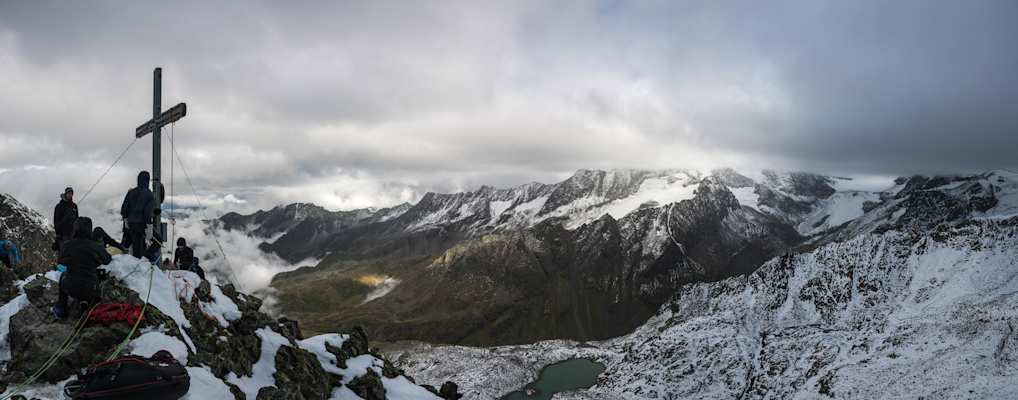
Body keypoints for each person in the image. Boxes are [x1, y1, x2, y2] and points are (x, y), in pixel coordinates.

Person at [53, 217, 111, 319]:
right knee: (99, 275)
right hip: (91, 288)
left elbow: (61, 262)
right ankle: (88, 302)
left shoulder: (67, 245)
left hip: (70, 287)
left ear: (75, 229)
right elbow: (107, 259)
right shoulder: (95, 246)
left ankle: (61, 308)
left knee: (63, 275)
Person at [120, 171, 156, 259]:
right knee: (158, 241)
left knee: (136, 248)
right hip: (142, 224)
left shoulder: (131, 192)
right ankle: (145, 258)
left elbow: (124, 209)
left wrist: (126, 221)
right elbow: (147, 213)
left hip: (131, 224)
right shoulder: (149, 194)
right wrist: (149, 228)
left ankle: (139, 260)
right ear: (148, 180)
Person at [53, 187, 78, 251]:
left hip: (73, 234)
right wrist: (58, 234)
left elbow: (77, 219)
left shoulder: (74, 206)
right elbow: (56, 221)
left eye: (71, 193)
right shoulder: (59, 206)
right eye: (68, 193)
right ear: (65, 194)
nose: (70, 195)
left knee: (73, 252)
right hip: (63, 235)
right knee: (64, 252)